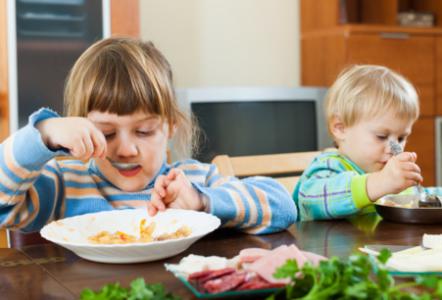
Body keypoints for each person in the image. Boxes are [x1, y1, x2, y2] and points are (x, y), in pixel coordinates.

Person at [0, 37, 297, 234]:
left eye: (144, 131)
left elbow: (284, 207)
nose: (126, 149)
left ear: (170, 126)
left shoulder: (192, 180)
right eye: (106, 133)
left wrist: (201, 201)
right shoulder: (64, 184)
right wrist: (43, 133)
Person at [293, 64, 422, 221]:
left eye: (401, 138)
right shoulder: (329, 166)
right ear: (340, 128)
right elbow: (310, 201)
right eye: (381, 136)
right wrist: (379, 183)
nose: (395, 149)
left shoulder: (391, 174)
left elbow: (420, 198)